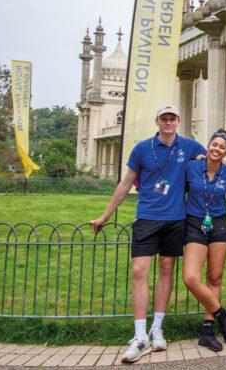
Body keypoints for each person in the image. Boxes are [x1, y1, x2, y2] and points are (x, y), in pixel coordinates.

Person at [90, 105, 206, 364]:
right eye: (164, 119)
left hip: (175, 220)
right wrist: (105, 216)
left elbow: (215, 159)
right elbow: (125, 183)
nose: (168, 122)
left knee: (166, 272)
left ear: (178, 121)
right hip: (146, 218)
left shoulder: (189, 146)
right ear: (157, 121)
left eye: (172, 118)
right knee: (139, 272)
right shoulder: (142, 148)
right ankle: (139, 335)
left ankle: (157, 329)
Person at [182, 129, 226, 352]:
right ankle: (223, 313)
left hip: (220, 226)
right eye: (214, 144)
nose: (217, 149)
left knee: (214, 278)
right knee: (190, 277)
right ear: (207, 146)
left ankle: (207, 331)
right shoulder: (192, 167)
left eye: (222, 147)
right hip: (195, 224)